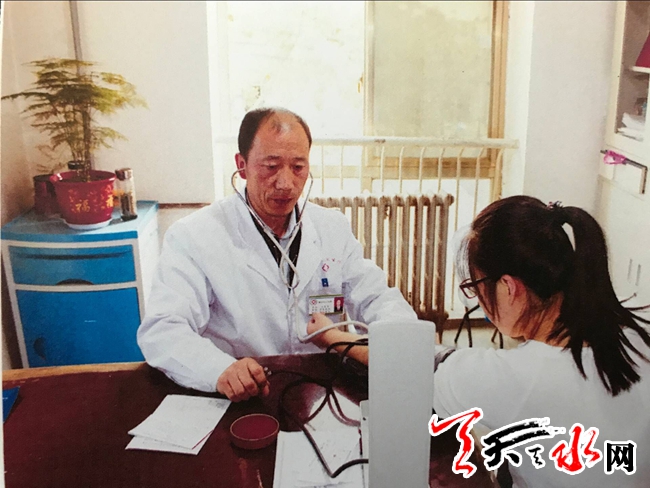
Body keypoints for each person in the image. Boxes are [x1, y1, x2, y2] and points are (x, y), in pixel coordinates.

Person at [307, 195, 650, 487]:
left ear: (509, 288)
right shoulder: (639, 329)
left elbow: (410, 363)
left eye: (476, 287)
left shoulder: (514, 377)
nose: (480, 303)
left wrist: (333, 336)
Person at [137, 108, 416, 403]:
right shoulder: (194, 236)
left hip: (320, 391)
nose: (285, 183)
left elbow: (375, 296)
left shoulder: (331, 227)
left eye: (298, 167)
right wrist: (219, 369)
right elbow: (163, 329)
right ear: (242, 166)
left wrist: (404, 338)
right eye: (271, 166)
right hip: (243, 395)